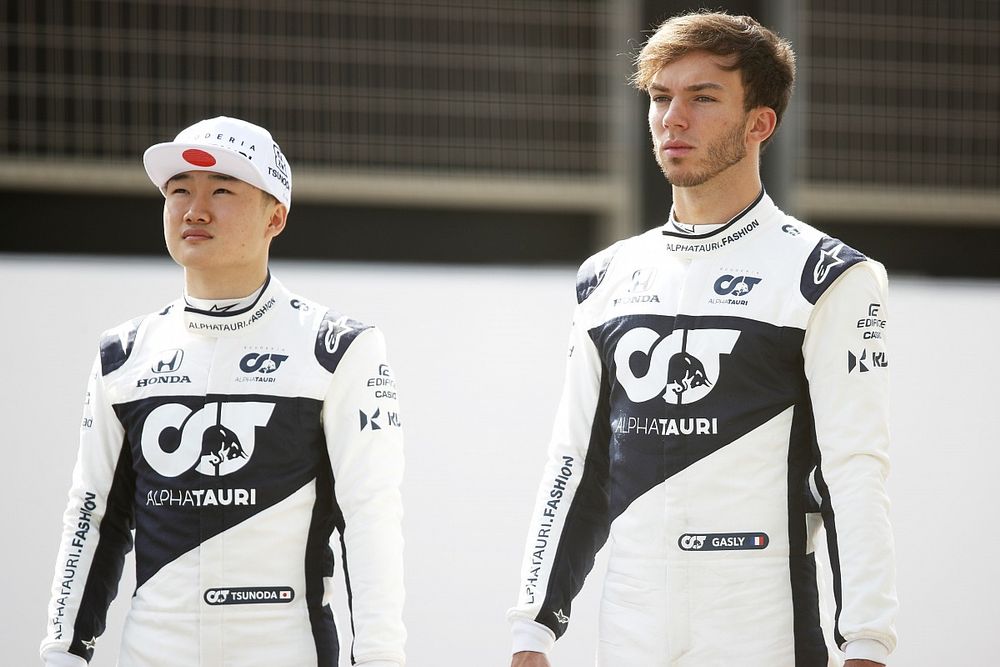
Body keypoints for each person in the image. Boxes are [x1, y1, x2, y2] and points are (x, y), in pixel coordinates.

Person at [507, 11, 897, 667]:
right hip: (631, 621)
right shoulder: (604, 278)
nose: (672, 118)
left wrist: (866, 640)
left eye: (703, 98)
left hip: (760, 622)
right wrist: (531, 627)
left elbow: (853, 469)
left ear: (759, 123)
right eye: (661, 97)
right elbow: (576, 462)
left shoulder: (827, 274)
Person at [40, 117, 406, 667]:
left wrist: (380, 659)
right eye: (179, 190)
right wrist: (61, 654)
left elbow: (370, 515)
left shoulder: (337, 347)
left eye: (223, 191)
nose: (195, 209)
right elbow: (92, 514)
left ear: (275, 217)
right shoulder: (123, 352)